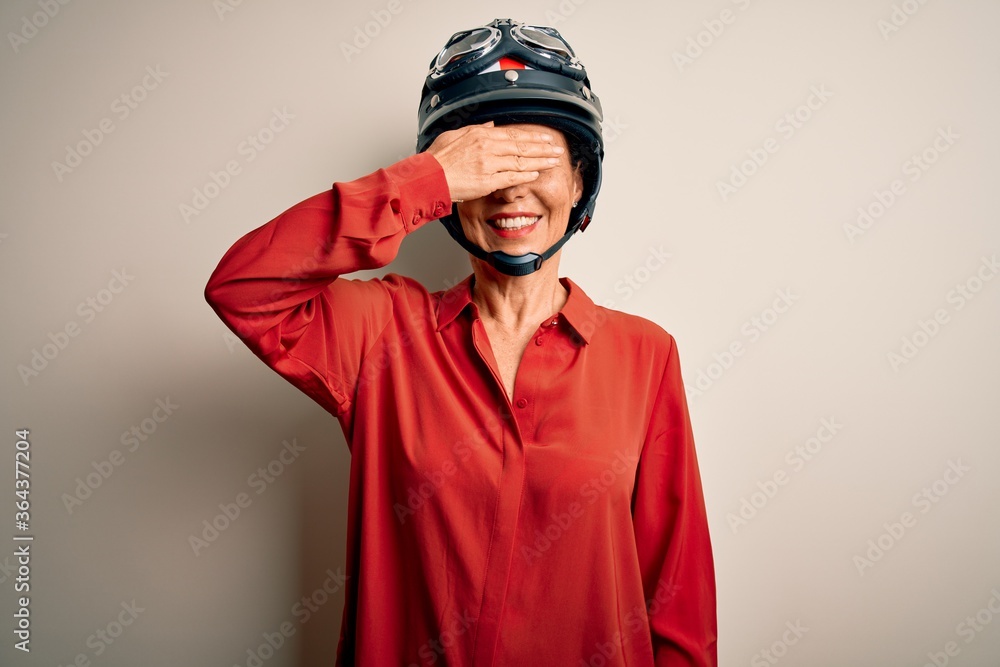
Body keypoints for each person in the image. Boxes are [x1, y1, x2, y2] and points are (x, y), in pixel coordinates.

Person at [205, 17, 716, 666]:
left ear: (582, 183)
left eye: (537, 161)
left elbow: (679, 610)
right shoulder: (380, 334)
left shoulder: (646, 355)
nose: (512, 189)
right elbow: (243, 286)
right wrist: (425, 180)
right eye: (487, 166)